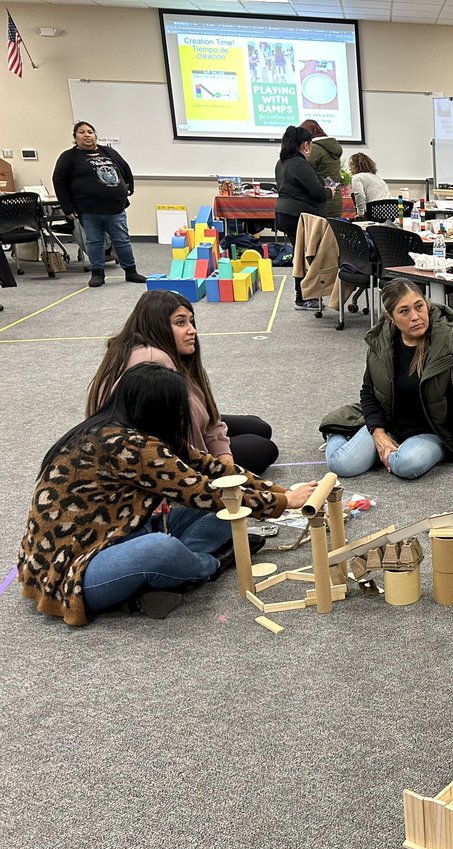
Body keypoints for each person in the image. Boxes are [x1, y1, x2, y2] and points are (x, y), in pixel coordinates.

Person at [18, 363, 317, 625]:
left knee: (230, 511)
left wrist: (281, 493)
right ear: (157, 410)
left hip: (119, 535)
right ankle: (209, 566)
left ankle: (161, 577)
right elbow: (202, 491)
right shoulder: (131, 446)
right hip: (74, 571)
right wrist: (283, 503)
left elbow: (213, 470)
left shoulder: (132, 428)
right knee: (161, 548)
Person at [320, 279, 453, 479]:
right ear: (391, 317)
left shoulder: (451, 340)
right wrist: (378, 433)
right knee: (340, 464)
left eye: (419, 307)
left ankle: (385, 446)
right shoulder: (381, 340)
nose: (415, 317)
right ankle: (337, 430)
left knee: (405, 465)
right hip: (391, 422)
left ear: (426, 304)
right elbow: (368, 391)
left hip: (435, 428)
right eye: (404, 311)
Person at [86, 290, 279, 474]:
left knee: (258, 426)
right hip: (165, 454)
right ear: (156, 325)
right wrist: (221, 463)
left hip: (186, 426)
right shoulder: (153, 362)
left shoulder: (140, 347)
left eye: (191, 322)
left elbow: (206, 415)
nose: (192, 330)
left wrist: (221, 447)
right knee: (263, 448)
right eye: (180, 323)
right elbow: (169, 444)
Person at [51, 121, 147, 288]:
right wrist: (68, 207)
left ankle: (131, 271)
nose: (87, 135)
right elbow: (58, 181)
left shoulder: (108, 152)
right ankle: (98, 273)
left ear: (95, 135)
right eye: (81, 132)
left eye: (90, 132)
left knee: (122, 240)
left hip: (115, 207)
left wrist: (128, 188)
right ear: (75, 138)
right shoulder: (69, 157)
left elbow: (125, 168)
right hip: (88, 209)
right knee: (94, 242)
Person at [274, 125, 337, 310]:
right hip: (301, 216)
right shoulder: (300, 164)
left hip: (285, 213)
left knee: (299, 255)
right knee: (307, 257)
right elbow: (317, 192)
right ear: (305, 145)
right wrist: (330, 192)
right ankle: (305, 297)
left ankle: (302, 296)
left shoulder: (281, 163)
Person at [299, 119, 345, 218]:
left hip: (322, 201)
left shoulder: (315, 149)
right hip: (335, 199)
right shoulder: (332, 149)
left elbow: (304, 171)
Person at [347, 152, 391, 218]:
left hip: (374, 213)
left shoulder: (357, 177)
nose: (350, 169)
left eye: (351, 165)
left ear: (356, 166)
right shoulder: (378, 178)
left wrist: (360, 215)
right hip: (389, 213)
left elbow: (359, 195)